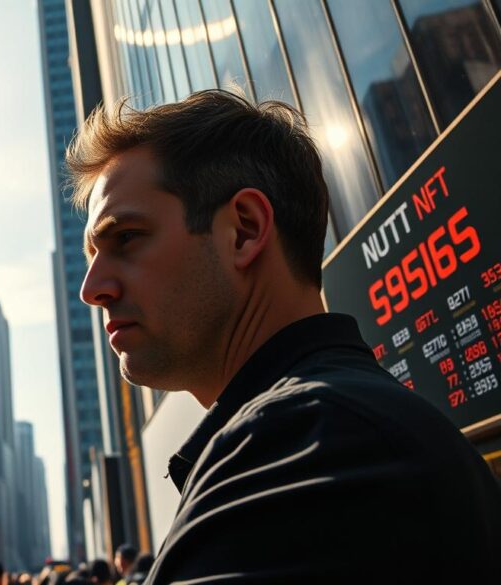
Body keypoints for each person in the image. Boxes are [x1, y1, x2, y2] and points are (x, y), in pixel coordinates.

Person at [69, 89, 501, 582]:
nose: (91, 289)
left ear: (245, 230)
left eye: (126, 238)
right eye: (91, 256)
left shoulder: (309, 440)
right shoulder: (327, 427)